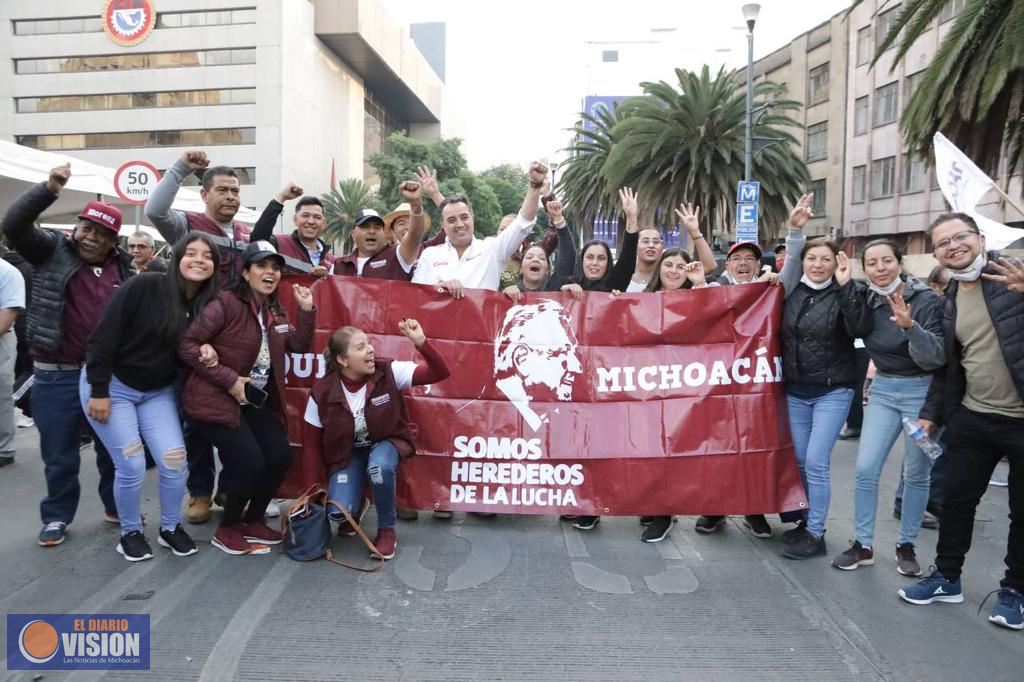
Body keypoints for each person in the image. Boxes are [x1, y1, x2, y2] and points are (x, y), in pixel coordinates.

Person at [898, 213, 1024, 631]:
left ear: (980, 237)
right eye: (943, 243)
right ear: (936, 254)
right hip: (972, 417)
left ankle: (1015, 591)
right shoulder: (949, 298)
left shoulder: (1015, 276)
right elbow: (949, 367)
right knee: (956, 502)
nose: (953, 246)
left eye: (960, 237)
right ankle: (947, 577)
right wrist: (931, 416)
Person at [2, 163, 127, 546]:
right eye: (87, 228)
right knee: (59, 454)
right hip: (55, 374)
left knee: (112, 450)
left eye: (101, 233)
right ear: (77, 228)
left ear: (112, 241)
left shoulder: (124, 269)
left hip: (105, 377)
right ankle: (56, 516)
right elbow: (15, 224)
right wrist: (50, 188)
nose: (91, 237)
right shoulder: (51, 250)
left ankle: (115, 506)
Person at [82, 233, 221, 561]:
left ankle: (170, 528)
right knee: (130, 465)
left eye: (207, 256)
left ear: (215, 266)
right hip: (111, 386)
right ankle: (130, 532)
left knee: (175, 462)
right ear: (176, 258)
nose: (198, 260)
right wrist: (99, 391)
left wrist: (207, 347)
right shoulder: (143, 286)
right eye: (191, 253)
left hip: (156, 392)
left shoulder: (206, 306)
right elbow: (101, 339)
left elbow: (191, 348)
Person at [179, 241, 315, 555]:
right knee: (251, 461)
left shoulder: (274, 308)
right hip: (213, 400)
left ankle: (253, 520)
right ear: (245, 271)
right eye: (262, 266)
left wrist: (307, 311)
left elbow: (299, 346)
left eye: (275, 267)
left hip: (253, 402)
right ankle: (227, 529)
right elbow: (187, 345)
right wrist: (228, 380)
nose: (270, 273)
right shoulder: (225, 303)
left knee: (280, 455)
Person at [146, 150, 254, 521]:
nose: (230, 197)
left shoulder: (245, 234)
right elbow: (154, 210)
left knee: (235, 417)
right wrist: (180, 170)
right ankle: (199, 492)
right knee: (194, 419)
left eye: (235, 191)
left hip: (235, 346)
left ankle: (229, 487)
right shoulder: (186, 226)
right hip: (192, 342)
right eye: (222, 189)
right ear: (204, 194)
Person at [829, 239, 945, 576]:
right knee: (865, 469)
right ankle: (863, 544)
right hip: (883, 389)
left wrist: (910, 326)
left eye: (887, 261)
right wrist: (844, 285)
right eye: (873, 263)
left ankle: (905, 545)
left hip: (921, 393)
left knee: (916, 472)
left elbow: (936, 356)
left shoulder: (924, 300)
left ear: (899, 262)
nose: (880, 268)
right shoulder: (865, 296)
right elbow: (855, 328)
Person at [303, 319, 450, 559]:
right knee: (339, 513)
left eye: (369, 344)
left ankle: (386, 531)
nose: (371, 349)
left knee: (379, 467)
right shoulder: (322, 392)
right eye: (360, 347)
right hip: (348, 455)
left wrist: (421, 343)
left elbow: (440, 373)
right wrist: (310, 495)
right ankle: (357, 504)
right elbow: (310, 446)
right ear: (343, 360)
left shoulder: (388, 372)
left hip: (386, 444)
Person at [776, 193, 859, 560]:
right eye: (813, 258)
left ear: (836, 262)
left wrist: (846, 287)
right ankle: (806, 520)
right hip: (796, 391)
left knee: (816, 462)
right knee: (798, 460)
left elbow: (858, 327)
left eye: (826, 259)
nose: (818, 264)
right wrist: (796, 232)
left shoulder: (844, 293)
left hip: (832, 391)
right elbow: (789, 265)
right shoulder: (791, 290)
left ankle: (817, 533)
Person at [694, 239, 776, 539]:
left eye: (750, 259)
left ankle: (754, 509)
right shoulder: (714, 289)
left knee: (754, 447)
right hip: (717, 382)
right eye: (737, 258)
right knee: (718, 447)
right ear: (728, 265)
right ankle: (714, 510)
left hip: (757, 383)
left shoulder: (771, 289)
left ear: (758, 265)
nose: (743, 263)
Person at [412, 162, 549, 296]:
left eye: (464, 217)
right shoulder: (429, 255)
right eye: (451, 220)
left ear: (473, 217)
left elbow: (523, 223)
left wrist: (534, 186)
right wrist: (439, 289)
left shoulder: (491, 249)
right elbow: (414, 296)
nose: (460, 224)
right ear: (443, 225)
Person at [334, 182, 427, 279]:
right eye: (365, 227)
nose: (372, 231)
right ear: (353, 234)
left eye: (377, 227)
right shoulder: (338, 265)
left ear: (383, 233)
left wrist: (416, 204)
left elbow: (414, 236)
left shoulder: (397, 256)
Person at [625, 203, 716, 293]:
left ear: (662, 246)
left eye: (656, 242)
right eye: (645, 241)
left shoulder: (675, 273)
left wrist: (695, 231)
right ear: (635, 245)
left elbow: (709, 266)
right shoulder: (623, 274)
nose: (651, 245)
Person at [250, 185, 335, 277]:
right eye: (305, 215)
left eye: (317, 217)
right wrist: (281, 197)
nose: (311, 221)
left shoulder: (331, 261)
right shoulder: (279, 244)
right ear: (295, 220)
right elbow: (257, 241)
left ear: (324, 223)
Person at [502, 196, 577, 300]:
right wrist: (505, 294)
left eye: (541, 258)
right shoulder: (509, 294)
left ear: (548, 269)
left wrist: (559, 220)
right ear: (520, 269)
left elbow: (568, 256)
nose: (535, 259)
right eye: (529, 257)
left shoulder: (555, 288)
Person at [0, 257, 25, 468]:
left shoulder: (7, 272)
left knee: (0, 394)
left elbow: (8, 313)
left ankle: (3, 449)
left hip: (1, 339)